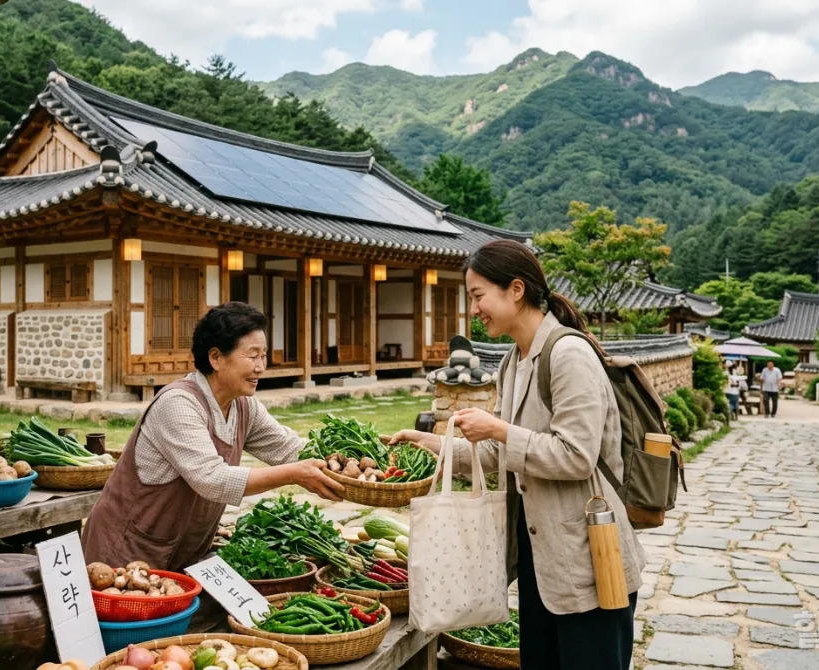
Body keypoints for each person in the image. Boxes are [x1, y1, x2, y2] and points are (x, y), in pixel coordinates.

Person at [389, 240, 644, 670]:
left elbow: (576, 456)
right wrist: (432, 442)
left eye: (478, 295)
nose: (474, 309)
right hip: (540, 560)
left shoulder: (569, 354)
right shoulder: (513, 360)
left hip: (590, 557)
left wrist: (501, 430)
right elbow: (496, 451)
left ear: (516, 290)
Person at [82, 302, 344, 571]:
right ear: (216, 358)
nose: (260, 367)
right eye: (252, 355)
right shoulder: (178, 404)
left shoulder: (243, 405)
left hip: (179, 551)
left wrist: (348, 460)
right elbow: (212, 479)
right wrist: (294, 474)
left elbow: (289, 447)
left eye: (263, 355)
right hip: (124, 550)